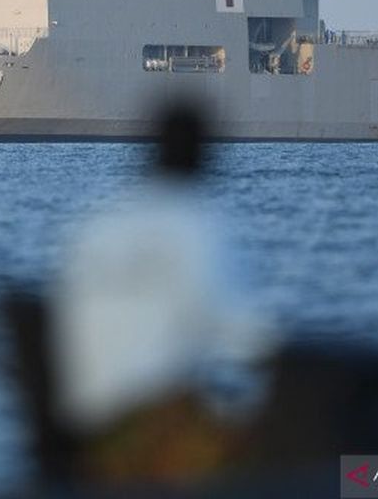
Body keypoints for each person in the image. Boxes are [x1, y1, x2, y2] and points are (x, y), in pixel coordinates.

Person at [50, 104, 275, 484]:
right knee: (329, 463)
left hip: (86, 438)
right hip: (156, 436)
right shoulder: (199, 227)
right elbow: (249, 342)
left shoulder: (93, 226)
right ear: (206, 156)